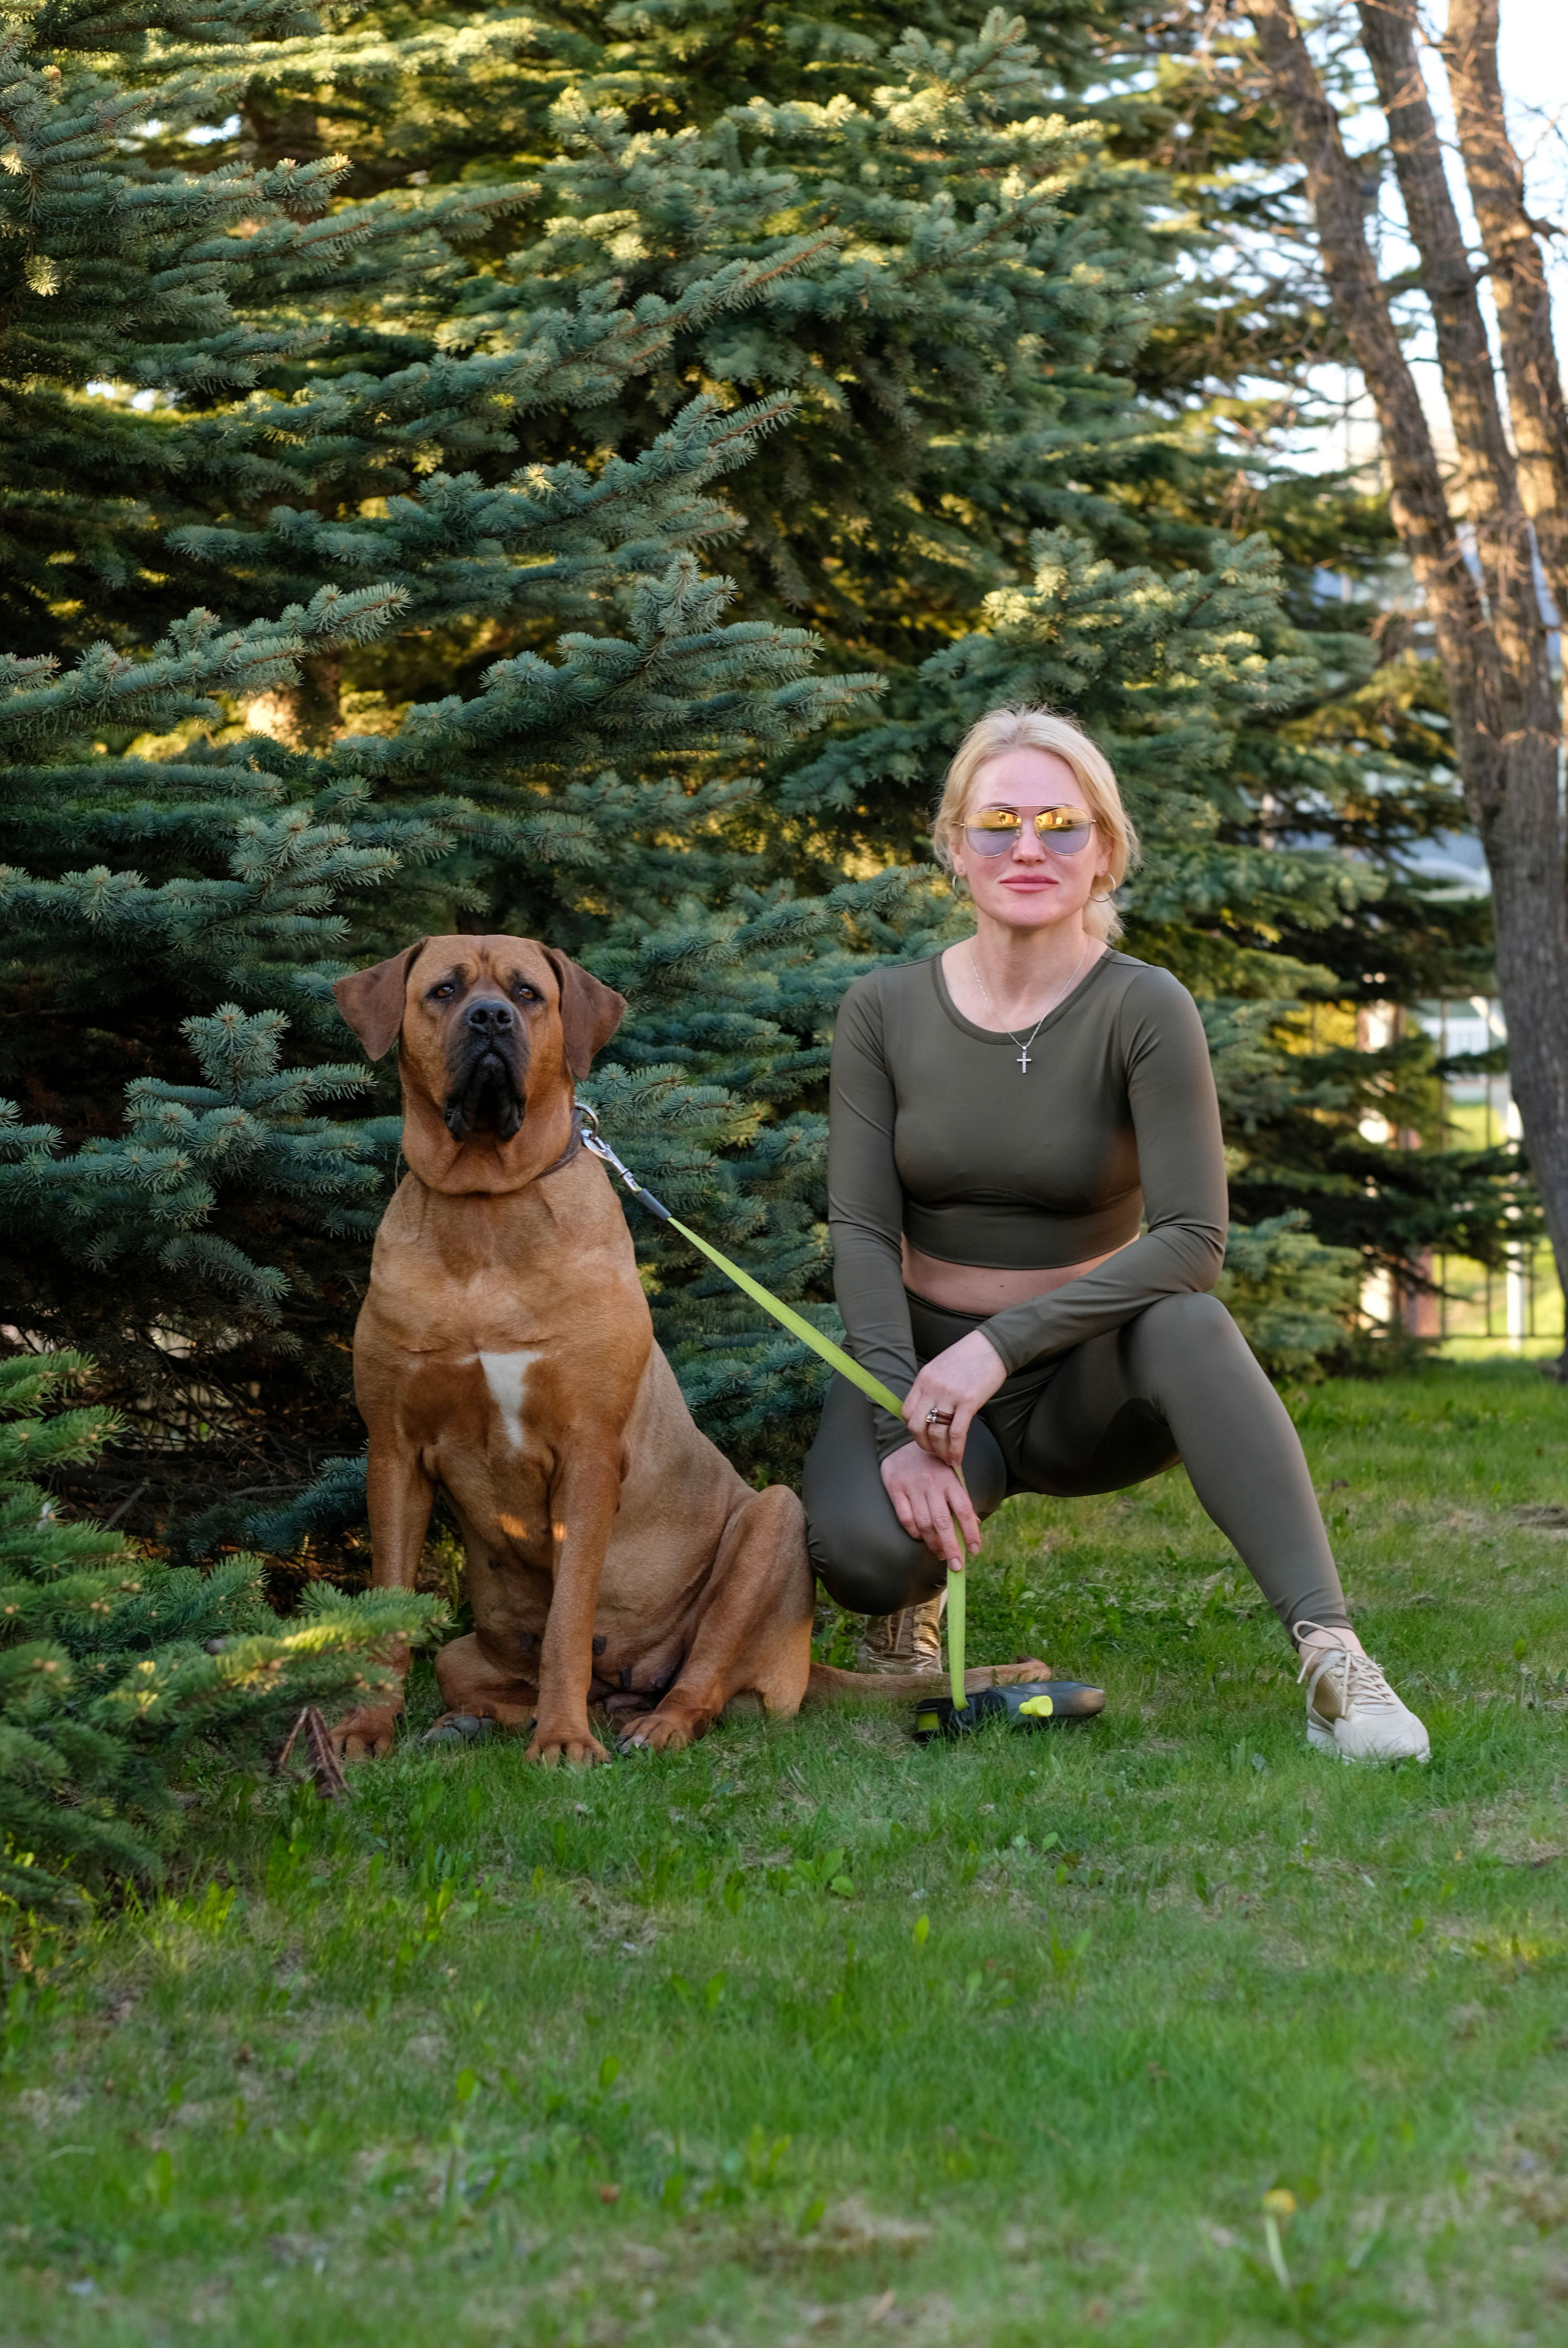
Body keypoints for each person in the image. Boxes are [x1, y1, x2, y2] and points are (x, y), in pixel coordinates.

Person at [804, 706, 1429, 1764]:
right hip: (923, 1377)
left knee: (1189, 1324)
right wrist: (892, 1424)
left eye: (1061, 821)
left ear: (1106, 850)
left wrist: (997, 1345)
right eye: (998, 822)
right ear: (956, 848)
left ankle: (1335, 1659)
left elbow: (1191, 1237)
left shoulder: (1147, 1007)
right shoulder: (883, 1009)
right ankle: (898, 1610)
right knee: (867, 1554)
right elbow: (862, 1232)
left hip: (1085, 1377)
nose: (1029, 847)